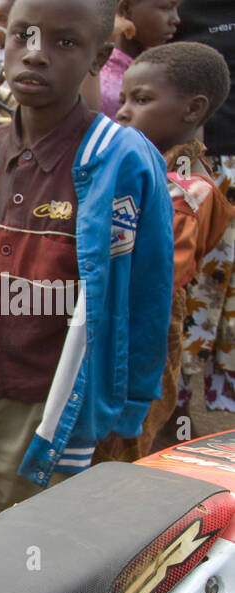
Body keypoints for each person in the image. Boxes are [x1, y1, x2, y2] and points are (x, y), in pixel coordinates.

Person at [0, 0, 173, 525]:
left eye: (63, 43)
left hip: (48, 401)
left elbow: (149, 290)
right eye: (23, 37)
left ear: (98, 58)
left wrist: (128, 406)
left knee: (32, 546)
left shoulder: (120, 161)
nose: (35, 55)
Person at [97, 42, 233, 460]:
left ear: (192, 110)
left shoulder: (184, 191)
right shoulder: (151, 169)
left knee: (119, 445)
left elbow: (156, 275)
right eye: (122, 99)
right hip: (120, 322)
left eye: (141, 100)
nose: (122, 112)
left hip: (139, 333)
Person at [176, 0, 235, 414]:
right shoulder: (180, 11)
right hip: (196, 164)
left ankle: (219, 408)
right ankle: (175, 405)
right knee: (189, 282)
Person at [100, 0, 181, 118]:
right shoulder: (98, 73)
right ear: (125, 9)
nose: (176, 19)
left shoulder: (168, 66)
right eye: (166, 8)